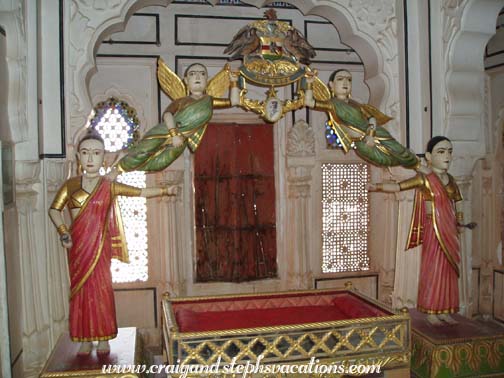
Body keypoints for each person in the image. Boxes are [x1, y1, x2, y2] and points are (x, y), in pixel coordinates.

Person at [48, 129, 177, 356]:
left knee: (101, 291)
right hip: (78, 251)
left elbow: (139, 192)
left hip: (100, 250)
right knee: (81, 293)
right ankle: (85, 339)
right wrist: (63, 232)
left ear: (103, 157)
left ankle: (103, 337)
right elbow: (54, 210)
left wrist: (165, 190)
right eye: (85, 153)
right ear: (78, 156)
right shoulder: (70, 186)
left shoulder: (108, 186)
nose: (90, 158)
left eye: (96, 153)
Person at [369, 136, 463, 325]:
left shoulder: (450, 180)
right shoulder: (426, 179)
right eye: (441, 151)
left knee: (448, 272)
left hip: (449, 231)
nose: (447, 156)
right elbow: (398, 186)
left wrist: (460, 219)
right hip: (433, 231)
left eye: (450, 151)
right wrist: (376, 187)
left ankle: (445, 310)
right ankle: (431, 312)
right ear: (429, 156)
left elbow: (458, 201)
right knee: (433, 270)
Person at [117, 63, 240, 172]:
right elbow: (167, 114)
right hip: (166, 131)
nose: (198, 77)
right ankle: (118, 169)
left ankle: (126, 157)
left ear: (207, 80)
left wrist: (234, 82)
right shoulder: (182, 101)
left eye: (202, 74)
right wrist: (174, 134)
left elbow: (233, 102)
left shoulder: (209, 101)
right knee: (142, 153)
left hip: (182, 139)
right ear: (186, 80)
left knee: (160, 164)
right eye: (193, 74)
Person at [305, 69, 420, 169]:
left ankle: (417, 164)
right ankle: (414, 164)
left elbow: (371, 118)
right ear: (331, 84)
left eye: (349, 80)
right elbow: (309, 102)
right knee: (383, 160)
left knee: (400, 151)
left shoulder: (357, 105)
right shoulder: (332, 104)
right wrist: (309, 84)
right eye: (340, 79)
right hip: (360, 142)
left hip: (376, 133)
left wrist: (371, 134)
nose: (345, 82)